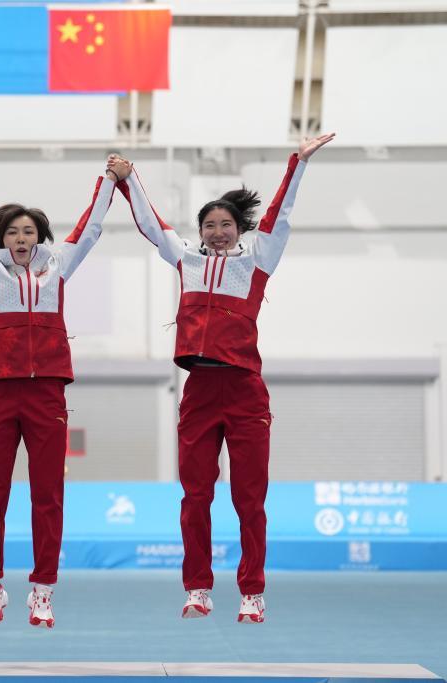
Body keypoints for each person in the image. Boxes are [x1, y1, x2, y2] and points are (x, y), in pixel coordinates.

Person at [112, 133, 335, 623]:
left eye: (226, 225)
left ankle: (252, 592)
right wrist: (130, 181)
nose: (218, 232)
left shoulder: (257, 261)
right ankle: (198, 589)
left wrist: (297, 163)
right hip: (199, 391)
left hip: (245, 392)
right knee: (195, 498)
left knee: (249, 501)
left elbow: (280, 217)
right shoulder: (186, 260)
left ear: (239, 230)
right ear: (199, 232)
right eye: (209, 225)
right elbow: (152, 224)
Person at [0, 140, 130, 628]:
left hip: (48, 395)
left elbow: (90, 228)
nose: (21, 239)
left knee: (48, 494)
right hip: (0, 391)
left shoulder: (58, 267)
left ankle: (43, 591)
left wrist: (110, 180)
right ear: (2, 237)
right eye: (13, 232)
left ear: (41, 237)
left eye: (29, 231)